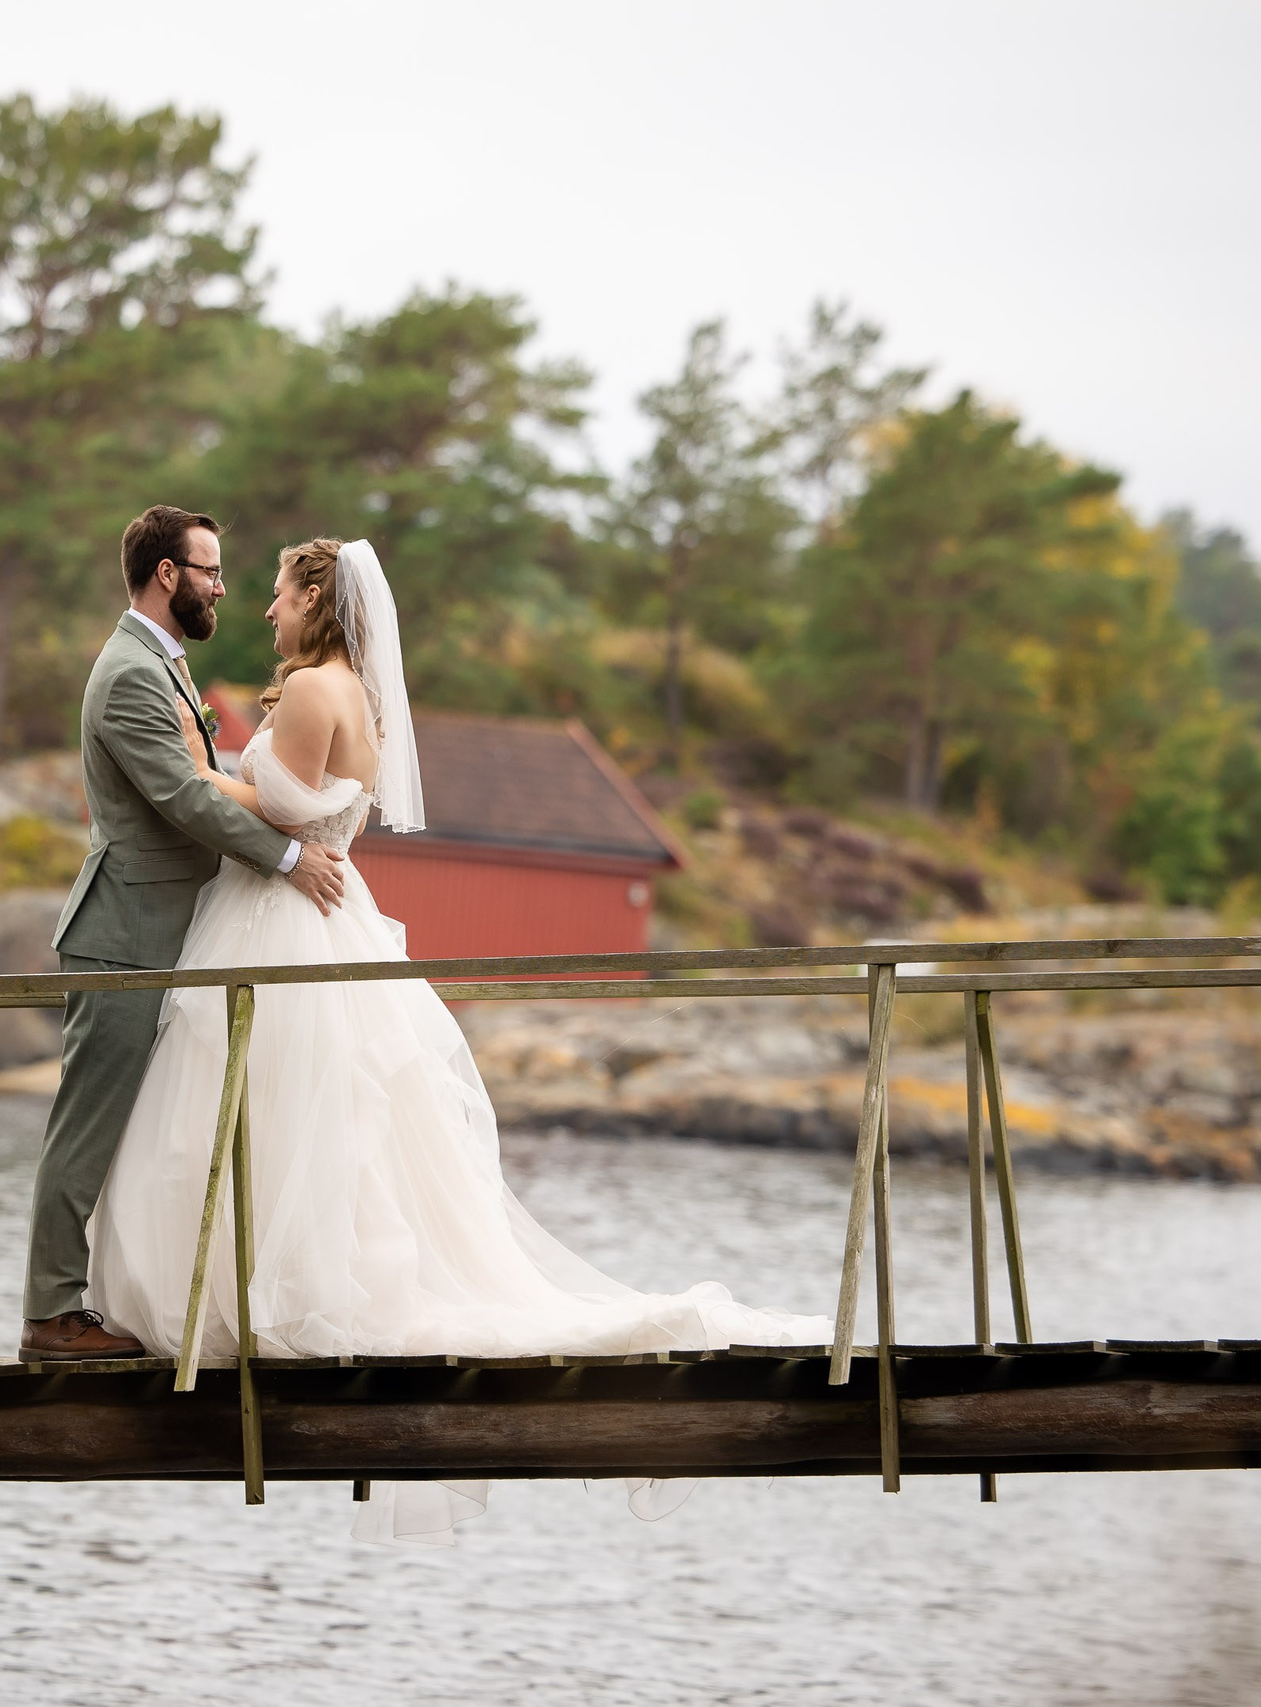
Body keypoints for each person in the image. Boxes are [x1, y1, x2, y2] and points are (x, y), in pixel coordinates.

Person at [80, 535, 830, 1543]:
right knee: (310, 1119)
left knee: (277, 1112)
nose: (264, 612)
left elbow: (284, 808)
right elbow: (312, 806)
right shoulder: (351, 689)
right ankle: (274, 1284)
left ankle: (271, 1297)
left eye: (276, 594)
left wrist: (192, 780)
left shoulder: (310, 693)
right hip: (316, 912)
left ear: (319, 598)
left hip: (289, 915)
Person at [18, 506, 349, 1362]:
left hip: (172, 928)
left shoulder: (160, 665)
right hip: (126, 930)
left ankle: (126, 1298)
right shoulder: (130, 673)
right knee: (89, 1122)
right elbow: (183, 796)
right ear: (167, 574)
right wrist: (286, 858)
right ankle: (52, 1314)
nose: (223, 588)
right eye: (208, 571)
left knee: (146, 1126)